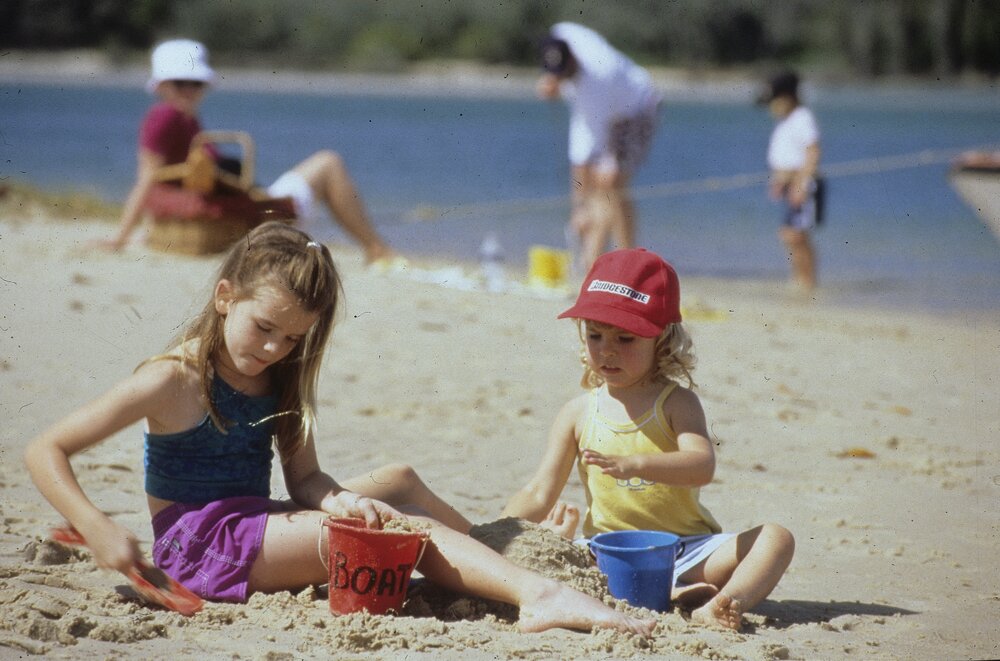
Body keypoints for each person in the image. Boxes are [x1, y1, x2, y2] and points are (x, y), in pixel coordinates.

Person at [24, 221, 654, 636]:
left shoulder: (280, 379)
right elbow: (45, 449)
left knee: (396, 481)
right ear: (224, 297)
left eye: (293, 337)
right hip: (200, 548)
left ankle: (486, 556)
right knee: (405, 530)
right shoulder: (172, 380)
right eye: (263, 327)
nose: (273, 348)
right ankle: (535, 594)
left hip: (254, 521)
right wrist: (98, 525)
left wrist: (343, 498)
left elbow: (305, 480)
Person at [503, 248, 794, 631]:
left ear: (661, 339)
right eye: (594, 335)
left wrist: (637, 464)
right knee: (547, 553)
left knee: (777, 537)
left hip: (686, 548)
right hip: (607, 552)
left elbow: (701, 465)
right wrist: (499, 532)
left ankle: (724, 602)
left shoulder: (676, 403)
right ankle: (674, 593)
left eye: (625, 338)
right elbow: (541, 491)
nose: (607, 350)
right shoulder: (578, 413)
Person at [100, 39, 394, 264]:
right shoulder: (166, 116)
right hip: (242, 215)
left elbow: (162, 179)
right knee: (329, 163)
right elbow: (148, 177)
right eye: (181, 83)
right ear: (162, 85)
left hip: (232, 207)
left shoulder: (184, 119)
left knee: (325, 164)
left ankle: (375, 248)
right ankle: (376, 250)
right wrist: (120, 237)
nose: (191, 90)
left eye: (197, 83)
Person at [536, 23, 662, 273]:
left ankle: (625, 263)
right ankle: (592, 264)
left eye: (562, 73)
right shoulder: (561, 33)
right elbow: (581, 158)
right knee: (594, 188)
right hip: (605, 110)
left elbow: (588, 148)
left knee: (610, 182)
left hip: (637, 109)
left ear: (574, 58)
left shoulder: (597, 78)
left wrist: (581, 206)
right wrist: (580, 206)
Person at [757, 70, 823, 293]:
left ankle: (807, 281)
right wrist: (778, 181)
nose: (771, 107)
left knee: (794, 234)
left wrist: (801, 185)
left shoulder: (802, 117)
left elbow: (812, 152)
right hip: (788, 185)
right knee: (791, 235)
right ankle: (799, 279)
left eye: (775, 100)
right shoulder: (785, 121)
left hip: (802, 186)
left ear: (788, 97)